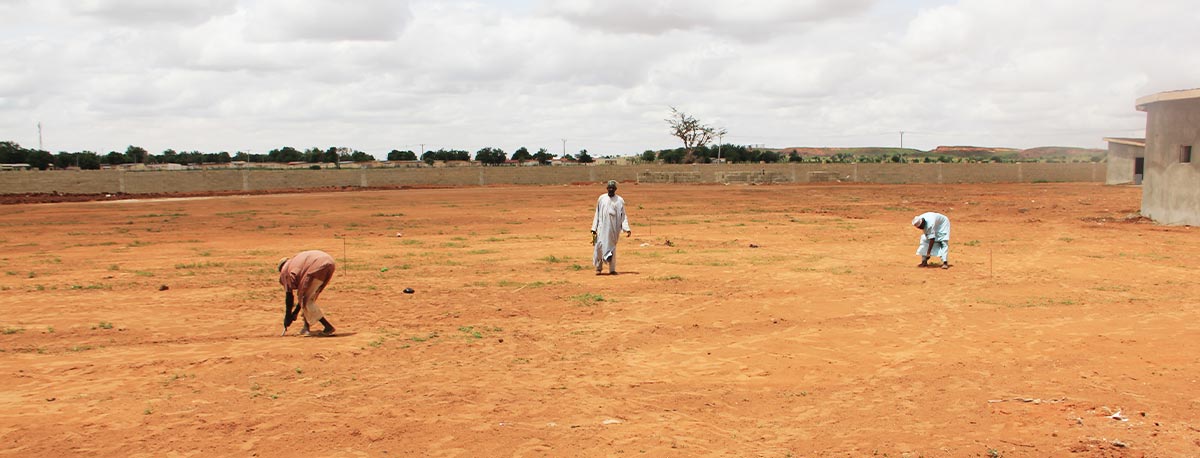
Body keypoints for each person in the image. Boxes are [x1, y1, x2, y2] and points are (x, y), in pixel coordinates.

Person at [277, 250, 337, 336]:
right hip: (329, 262)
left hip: (317, 267)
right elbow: (302, 297)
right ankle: (306, 327)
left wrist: (287, 316)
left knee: (307, 301)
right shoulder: (295, 263)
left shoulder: (285, 270)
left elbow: (289, 296)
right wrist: (294, 313)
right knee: (307, 298)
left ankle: (328, 327)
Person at [591, 180, 631, 275]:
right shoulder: (601, 198)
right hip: (601, 228)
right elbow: (597, 213)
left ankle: (612, 270)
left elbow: (623, 216)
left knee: (612, 248)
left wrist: (627, 229)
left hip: (613, 229)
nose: (611, 189)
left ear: (615, 189)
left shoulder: (620, 200)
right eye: (609, 188)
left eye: (613, 188)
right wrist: (594, 228)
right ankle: (598, 268)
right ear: (607, 189)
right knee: (599, 248)